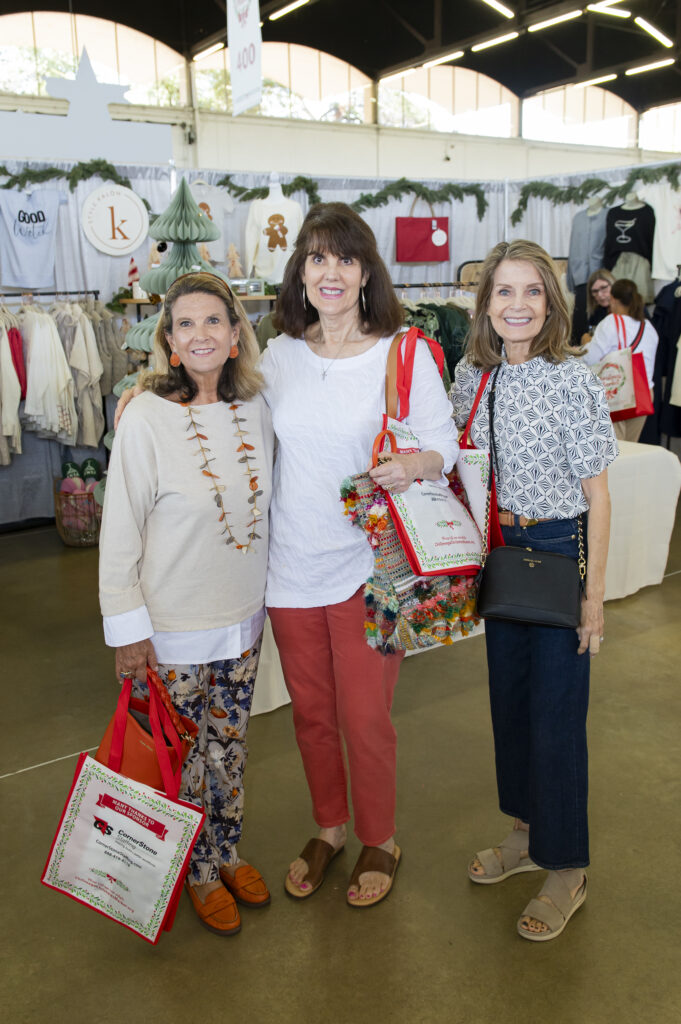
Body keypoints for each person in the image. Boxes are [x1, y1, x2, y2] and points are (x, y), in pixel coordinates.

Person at [264, 202, 459, 907]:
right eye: (316, 258)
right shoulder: (279, 355)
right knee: (310, 714)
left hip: (368, 570)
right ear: (300, 273)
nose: (331, 272)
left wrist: (414, 465)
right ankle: (330, 827)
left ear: (366, 271)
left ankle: (380, 835)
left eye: (345, 258)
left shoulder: (397, 352)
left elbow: (444, 448)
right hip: (288, 567)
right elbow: (235, 421)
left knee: (364, 717)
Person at [450, 240, 617, 942]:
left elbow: (597, 496)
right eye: (503, 292)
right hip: (499, 551)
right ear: (484, 303)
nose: (516, 305)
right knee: (510, 709)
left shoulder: (571, 379)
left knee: (555, 718)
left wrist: (593, 596)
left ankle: (566, 865)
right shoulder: (472, 377)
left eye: (531, 292)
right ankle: (523, 834)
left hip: (556, 549)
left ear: (549, 304)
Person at [99, 272, 274, 937]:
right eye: (185, 325)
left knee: (228, 746)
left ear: (234, 335)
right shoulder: (146, 417)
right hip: (171, 626)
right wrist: (127, 631)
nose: (200, 335)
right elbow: (119, 532)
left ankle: (227, 851)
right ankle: (195, 869)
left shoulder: (256, 407)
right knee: (181, 755)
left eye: (213, 322)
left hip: (240, 620)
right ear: (169, 343)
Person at [582, 277, 659, 442]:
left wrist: (585, 343)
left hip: (619, 391)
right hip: (643, 392)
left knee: (614, 450)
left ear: (614, 299)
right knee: (630, 447)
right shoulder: (649, 327)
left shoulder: (611, 322)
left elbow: (590, 358)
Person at [579, 268, 615, 346]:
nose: (600, 295)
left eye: (604, 288)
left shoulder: (630, 307)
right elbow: (585, 337)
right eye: (595, 291)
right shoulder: (596, 312)